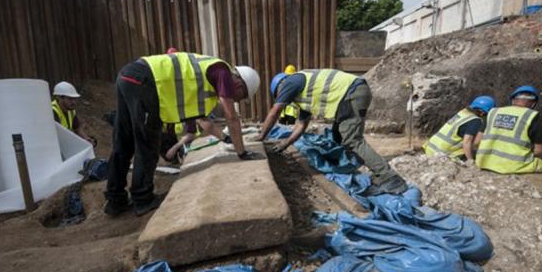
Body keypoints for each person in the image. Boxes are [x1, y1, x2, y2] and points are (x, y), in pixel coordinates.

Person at [104, 52, 261, 217]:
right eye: (241, 97)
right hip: (145, 82)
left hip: (130, 76)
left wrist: (225, 138)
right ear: (239, 85)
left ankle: (115, 200)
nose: (237, 101)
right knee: (147, 143)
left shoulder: (204, 80)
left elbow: (204, 121)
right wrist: (242, 152)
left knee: (124, 140)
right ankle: (142, 199)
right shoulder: (222, 72)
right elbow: (231, 117)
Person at [254, 69, 408, 195]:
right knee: (338, 135)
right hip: (352, 93)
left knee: (352, 140)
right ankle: (357, 169)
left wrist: (261, 136)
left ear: (280, 86)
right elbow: (301, 125)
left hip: (352, 93)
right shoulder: (302, 96)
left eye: (279, 94)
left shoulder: (291, 81)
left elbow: (275, 111)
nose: (284, 98)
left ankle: (391, 179)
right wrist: (285, 144)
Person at [476, 85, 542, 174]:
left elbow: (477, 141)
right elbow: (538, 151)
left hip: (484, 162)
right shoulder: (533, 116)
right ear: (533, 103)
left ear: (513, 100)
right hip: (514, 167)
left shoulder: (493, 112)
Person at [423, 95, 495, 162]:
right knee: (470, 147)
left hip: (430, 148)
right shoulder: (475, 121)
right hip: (441, 154)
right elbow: (467, 142)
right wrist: (470, 160)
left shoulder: (463, 113)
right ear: (482, 112)